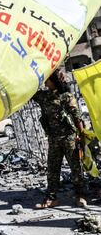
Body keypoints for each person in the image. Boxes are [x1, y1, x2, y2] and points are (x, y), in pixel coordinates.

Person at [33, 70, 87, 209]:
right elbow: (31, 92)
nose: (45, 82)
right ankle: (52, 198)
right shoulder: (44, 96)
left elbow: (77, 117)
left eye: (47, 79)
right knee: (52, 169)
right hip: (53, 139)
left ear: (54, 81)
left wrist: (81, 136)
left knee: (76, 168)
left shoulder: (66, 97)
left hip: (69, 138)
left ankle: (80, 195)